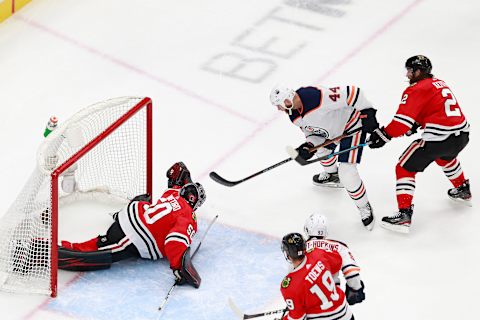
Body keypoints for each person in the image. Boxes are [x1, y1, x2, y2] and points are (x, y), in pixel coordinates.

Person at [58, 162, 206, 288]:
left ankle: (66, 246)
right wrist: (179, 268)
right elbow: (175, 241)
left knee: (105, 240)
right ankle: (61, 255)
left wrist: (186, 175)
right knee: (104, 253)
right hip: (138, 235)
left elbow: (177, 170)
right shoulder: (188, 216)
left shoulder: (172, 193)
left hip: (130, 212)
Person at [368, 55, 471, 233]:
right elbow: (434, 108)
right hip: (461, 136)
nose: (407, 75)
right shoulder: (439, 83)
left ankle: (404, 215)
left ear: (419, 71)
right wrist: (417, 123)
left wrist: (384, 135)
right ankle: (462, 189)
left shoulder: (415, 89)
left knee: (404, 168)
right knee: (445, 158)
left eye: (410, 70)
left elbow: (401, 124)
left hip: (439, 139)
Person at [270, 85, 380, 230]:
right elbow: (314, 133)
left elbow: (353, 92)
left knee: (347, 173)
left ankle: (363, 206)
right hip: (333, 134)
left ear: (288, 99)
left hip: (352, 127)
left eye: (279, 104)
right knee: (320, 151)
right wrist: (308, 145)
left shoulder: (315, 97)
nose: (278, 109)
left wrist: (368, 113)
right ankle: (332, 175)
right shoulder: (294, 115)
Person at [279, 232, 359, 320]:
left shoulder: (290, 286)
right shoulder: (318, 253)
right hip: (345, 314)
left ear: (288, 254)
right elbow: (337, 263)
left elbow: (297, 318)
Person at [304, 213, 365, 301]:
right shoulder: (339, 246)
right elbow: (352, 273)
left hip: (307, 301)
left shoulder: (299, 248)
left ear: (307, 229)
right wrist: (355, 288)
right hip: (333, 301)